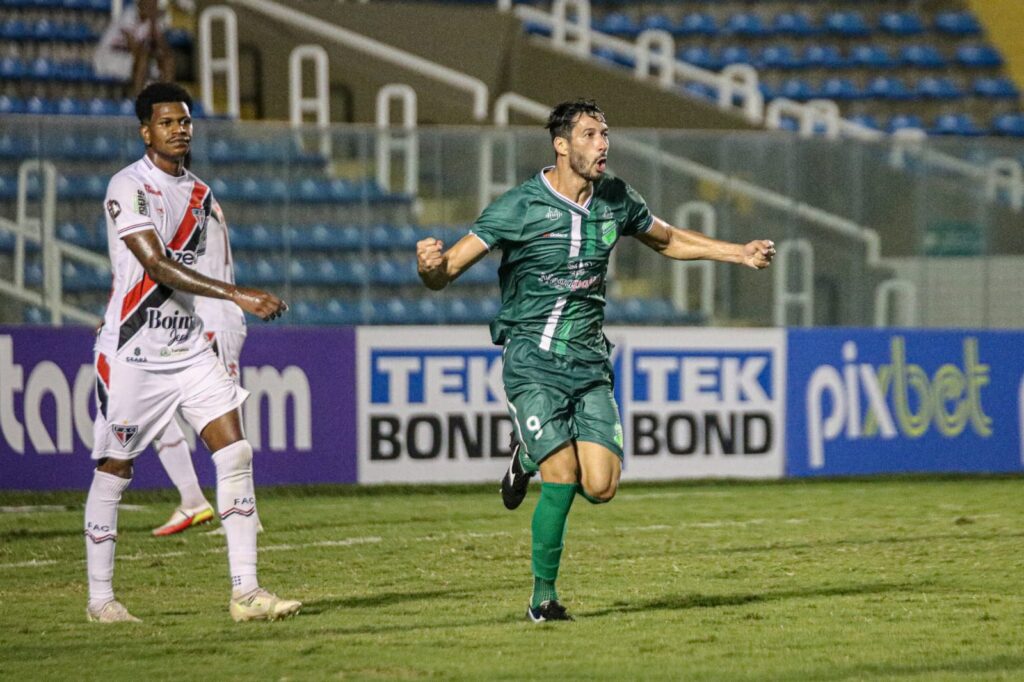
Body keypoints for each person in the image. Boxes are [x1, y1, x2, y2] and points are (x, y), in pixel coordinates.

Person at [416, 99, 775, 623]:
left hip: (589, 362)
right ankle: (543, 597)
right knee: (561, 475)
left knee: (600, 486)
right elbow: (448, 268)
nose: (602, 143)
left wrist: (737, 253)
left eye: (604, 133)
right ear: (561, 145)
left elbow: (669, 239)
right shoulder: (518, 207)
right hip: (532, 358)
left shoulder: (616, 199)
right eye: (589, 134)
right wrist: (430, 266)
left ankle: (526, 455)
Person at [84, 82, 299, 623]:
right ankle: (100, 600)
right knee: (115, 470)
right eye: (167, 122)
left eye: (184, 122)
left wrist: (219, 311)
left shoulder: (201, 195)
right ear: (145, 131)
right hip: (135, 351)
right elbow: (155, 265)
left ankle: (246, 593)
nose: (179, 130)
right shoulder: (127, 186)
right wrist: (235, 295)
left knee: (236, 453)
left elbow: (196, 272)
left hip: (189, 349)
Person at [150, 197, 260, 538]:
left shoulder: (185, 200)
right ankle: (195, 499)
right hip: (201, 321)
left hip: (212, 319)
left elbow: (166, 263)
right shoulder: (200, 198)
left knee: (225, 419)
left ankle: (243, 513)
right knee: (154, 407)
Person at [92, 0, 174, 95]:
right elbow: (136, 50)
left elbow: (165, 51)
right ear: (139, 4)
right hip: (109, 58)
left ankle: (167, 99)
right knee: (143, 59)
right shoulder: (128, 16)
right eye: (147, 4)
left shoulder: (154, 21)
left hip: (129, 58)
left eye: (153, 4)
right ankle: (138, 100)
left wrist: (154, 26)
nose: (150, 7)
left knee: (168, 61)